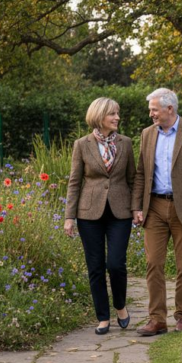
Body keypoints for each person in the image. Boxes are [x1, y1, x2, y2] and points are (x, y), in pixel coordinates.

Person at [132, 88, 182, 336]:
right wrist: (136, 207)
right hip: (154, 207)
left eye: (154, 109)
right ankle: (157, 319)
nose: (150, 114)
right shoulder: (147, 135)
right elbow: (140, 174)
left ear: (170, 109)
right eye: (150, 110)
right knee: (153, 263)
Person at [64, 97, 135, 335]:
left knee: (116, 264)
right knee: (95, 267)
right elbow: (74, 182)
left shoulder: (126, 143)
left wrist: (136, 209)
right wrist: (69, 217)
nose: (117, 118)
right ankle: (103, 317)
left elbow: (132, 179)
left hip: (120, 212)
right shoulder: (82, 144)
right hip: (88, 214)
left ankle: (121, 306)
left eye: (118, 113)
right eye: (112, 114)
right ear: (99, 117)